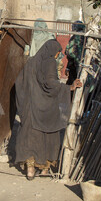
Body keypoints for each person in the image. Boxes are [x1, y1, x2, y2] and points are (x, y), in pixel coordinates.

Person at [14, 38, 82, 180]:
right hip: (45, 108)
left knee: (29, 137)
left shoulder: (31, 62)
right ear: (52, 52)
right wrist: (69, 87)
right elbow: (50, 84)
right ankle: (44, 169)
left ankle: (30, 169)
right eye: (58, 53)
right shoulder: (50, 62)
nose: (58, 56)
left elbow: (19, 82)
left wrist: (26, 101)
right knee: (48, 136)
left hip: (30, 108)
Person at [65, 20, 86, 85]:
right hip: (84, 64)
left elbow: (69, 53)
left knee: (72, 82)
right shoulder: (86, 37)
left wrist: (68, 67)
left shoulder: (75, 37)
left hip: (75, 64)